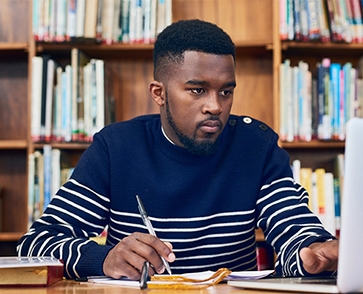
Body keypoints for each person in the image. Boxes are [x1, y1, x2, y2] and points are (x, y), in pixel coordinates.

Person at [17, 19, 339, 280]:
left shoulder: (257, 146)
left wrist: (311, 252)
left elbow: (294, 226)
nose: (215, 106)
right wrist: (104, 259)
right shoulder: (115, 149)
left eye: (226, 92)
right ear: (159, 93)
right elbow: (34, 247)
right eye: (197, 90)